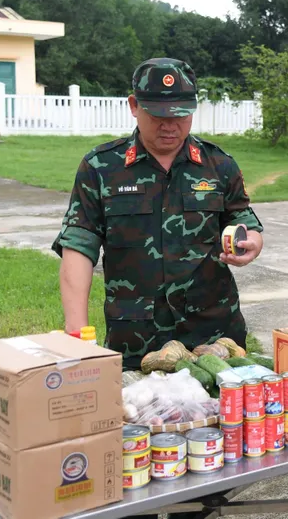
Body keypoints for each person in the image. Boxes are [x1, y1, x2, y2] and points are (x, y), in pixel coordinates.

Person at [53, 58, 262, 518]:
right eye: (158, 113)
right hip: (137, 342)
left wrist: (251, 241)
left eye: (181, 113)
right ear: (133, 107)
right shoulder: (101, 167)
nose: (171, 125)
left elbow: (242, 217)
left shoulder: (218, 163)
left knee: (212, 464)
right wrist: (75, 335)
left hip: (213, 338)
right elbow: (78, 248)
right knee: (137, 463)